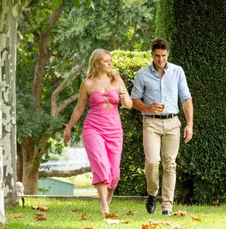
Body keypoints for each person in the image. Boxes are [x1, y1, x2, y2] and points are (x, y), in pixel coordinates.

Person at [63, 48, 132, 215]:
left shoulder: (116, 80)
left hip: (114, 130)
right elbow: (79, 108)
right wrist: (69, 127)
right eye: (106, 60)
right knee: (100, 165)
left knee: (114, 173)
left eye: (110, 60)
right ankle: (104, 205)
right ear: (96, 63)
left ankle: (109, 194)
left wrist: (124, 96)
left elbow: (129, 105)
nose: (110, 63)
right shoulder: (87, 84)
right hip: (93, 129)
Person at [130, 38, 193, 215]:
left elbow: (186, 98)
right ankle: (152, 193)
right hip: (151, 122)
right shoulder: (141, 75)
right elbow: (134, 99)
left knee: (170, 164)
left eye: (164, 56)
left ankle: (167, 206)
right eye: (157, 56)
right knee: (152, 162)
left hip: (173, 122)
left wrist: (190, 124)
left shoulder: (177, 71)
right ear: (152, 54)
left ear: (168, 54)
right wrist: (147, 107)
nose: (160, 60)